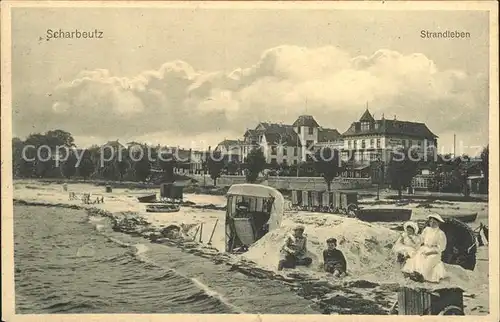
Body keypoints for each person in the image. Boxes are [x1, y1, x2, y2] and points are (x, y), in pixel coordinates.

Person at [402, 214, 448, 283]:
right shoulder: (427, 229)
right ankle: (413, 273)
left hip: (434, 251)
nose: (432, 224)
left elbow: (441, 248)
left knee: (428, 259)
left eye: (434, 222)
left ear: (438, 223)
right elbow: (421, 240)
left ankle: (422, 275)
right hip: (424, 248)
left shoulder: (440, 233)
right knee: (417, 256)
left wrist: (429, 252)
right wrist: (413, 239)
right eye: (431, 222)